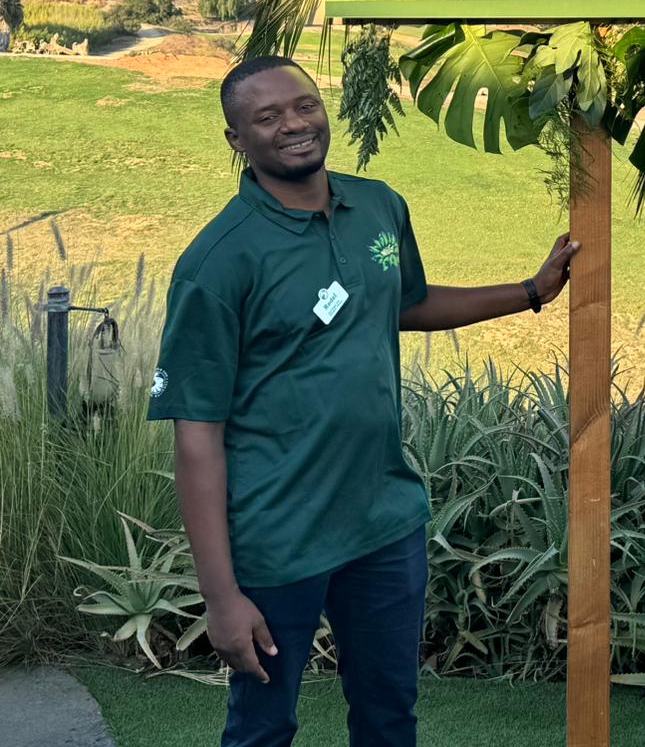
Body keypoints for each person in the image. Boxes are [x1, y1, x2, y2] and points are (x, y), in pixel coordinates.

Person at [148, 56, 579, 747]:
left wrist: (530, 292)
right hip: (278, 535)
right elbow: (196, 437)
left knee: (389, 715)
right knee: (264, 726)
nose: (294, 124)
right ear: (237, 139)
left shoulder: (377, 206)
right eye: (267, 117)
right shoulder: (219, 261)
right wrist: (221, 596)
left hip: (384, 521)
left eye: (305, 105)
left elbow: (406, 303)